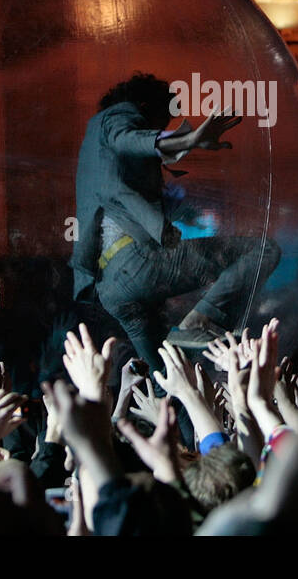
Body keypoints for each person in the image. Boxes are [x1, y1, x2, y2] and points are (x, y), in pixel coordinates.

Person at [70, 73, 280, 362]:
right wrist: (187, 139)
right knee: (264, 250)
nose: (164, 124)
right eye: (163, 119)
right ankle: (203, 319)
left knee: (164, 380)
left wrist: (179, 218)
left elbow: (124, 188)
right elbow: (129, 139)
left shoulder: (95, 141)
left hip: (110, 289)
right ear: (146, 106)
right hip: (136, 265)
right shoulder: (117, 117)